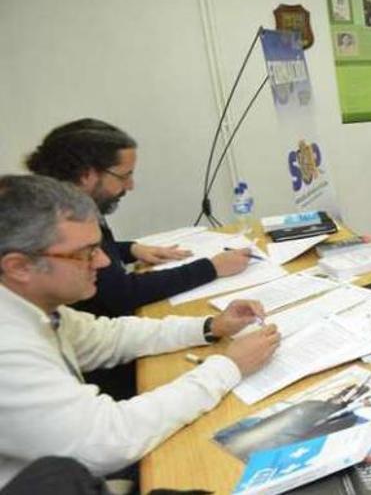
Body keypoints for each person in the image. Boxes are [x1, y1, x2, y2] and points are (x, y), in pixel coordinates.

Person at [0, 174, 280, 487]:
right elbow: (107, 441)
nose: (105, 261)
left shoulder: (31, 306)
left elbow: (109, 337)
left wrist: (209, 326)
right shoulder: (7, 348)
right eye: (86, 252)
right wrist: (228, 367)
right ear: (19, 267)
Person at [25, 119, 252, 400]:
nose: (130, 185)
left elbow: (108, 335)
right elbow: (119, 294)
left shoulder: (56, 313)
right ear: (86, 175)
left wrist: (130, 249)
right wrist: (228, 367)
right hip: (110, 386)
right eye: (123, 175)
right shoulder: (16, 355)